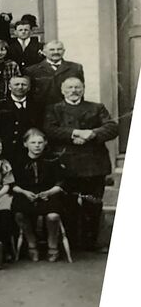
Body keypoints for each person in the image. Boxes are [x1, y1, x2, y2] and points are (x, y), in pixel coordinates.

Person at [44, 77, 118, 250]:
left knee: (93, 204)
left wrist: (91, 134)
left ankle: (91, 243)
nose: (74, 91)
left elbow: (112, 127)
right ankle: (72, 243)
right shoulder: (54, 109)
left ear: (83, 89)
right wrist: (75, 133)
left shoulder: (96, 108)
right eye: (69, 87)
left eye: (77, 87)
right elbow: (50, 130)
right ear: (63, 90)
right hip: (66, 165)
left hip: (94, 165)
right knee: (68, 205)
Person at [12, 129, 66, 262]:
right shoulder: (18, 160)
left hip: (49, 194)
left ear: (45, 143)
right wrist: (24, 192)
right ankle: (32, 244)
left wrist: (49, 192)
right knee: (19, 213)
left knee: (53, 216)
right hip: (26, 194)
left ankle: (52, 246)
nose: (37, 145)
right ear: (25, 144)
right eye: (33, 142)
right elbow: (12, 183)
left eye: (40, 142)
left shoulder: (53, 159)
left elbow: (61, 182)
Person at [25, 41, 84, 105]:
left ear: (64, 51)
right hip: (42, 110)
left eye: (59, 49)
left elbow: (80, 90)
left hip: (68, 109)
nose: (56, 52)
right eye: (52, 50)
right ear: (44, 52)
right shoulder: (32, 70)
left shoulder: (75, 68)